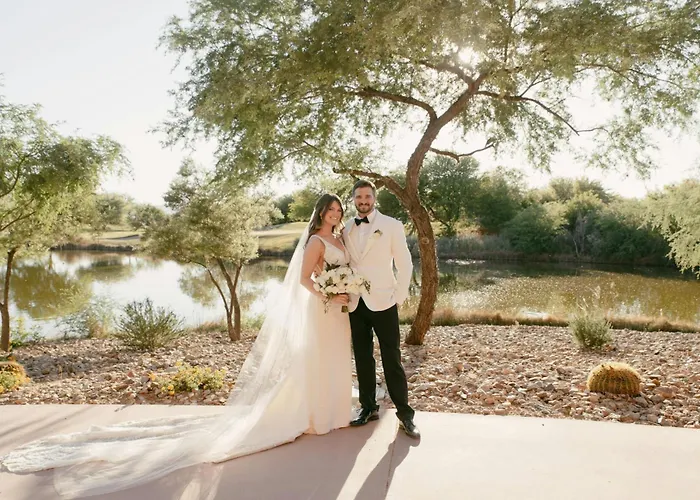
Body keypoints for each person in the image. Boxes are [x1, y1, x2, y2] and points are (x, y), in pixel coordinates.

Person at [0, 194, 356, 498]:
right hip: (323, 309)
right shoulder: (315, 241)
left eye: (339, 210)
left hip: (340, 312)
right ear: (321, 212)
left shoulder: (340, 238)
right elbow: (304, 279)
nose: (335, 213)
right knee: (316, 358)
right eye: (331, 210)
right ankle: (315, 414)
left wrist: (346, 289)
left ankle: (335, 410)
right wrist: (329, 294)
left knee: (335, 358)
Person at [343, 180, 419, 439]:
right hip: (356, 302)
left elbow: (405, 264)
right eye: (359, 197)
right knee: (363, 358)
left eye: (367, 196)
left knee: (392, 358)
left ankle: (405, 415)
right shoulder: (346, 228)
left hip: (385, 301)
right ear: (353, 199)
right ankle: (368, 407)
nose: (363, 200)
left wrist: (398, 296)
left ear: (374, 198)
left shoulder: (392, 225)